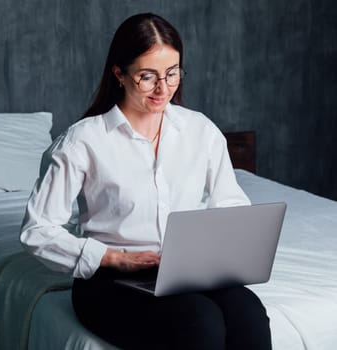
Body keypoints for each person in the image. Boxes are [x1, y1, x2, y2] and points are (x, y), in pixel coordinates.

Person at [20, 12, 271, 350]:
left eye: (172, 74)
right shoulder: (82, 141)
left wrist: (216, 248)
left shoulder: (200, 130)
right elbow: (37, 231)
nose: (163, 88)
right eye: (147, 77)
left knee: (250, 313)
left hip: (184, 271)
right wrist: (113, 257)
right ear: (119, 74)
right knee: (200, 321)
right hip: (108, 279)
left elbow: (230, 203)